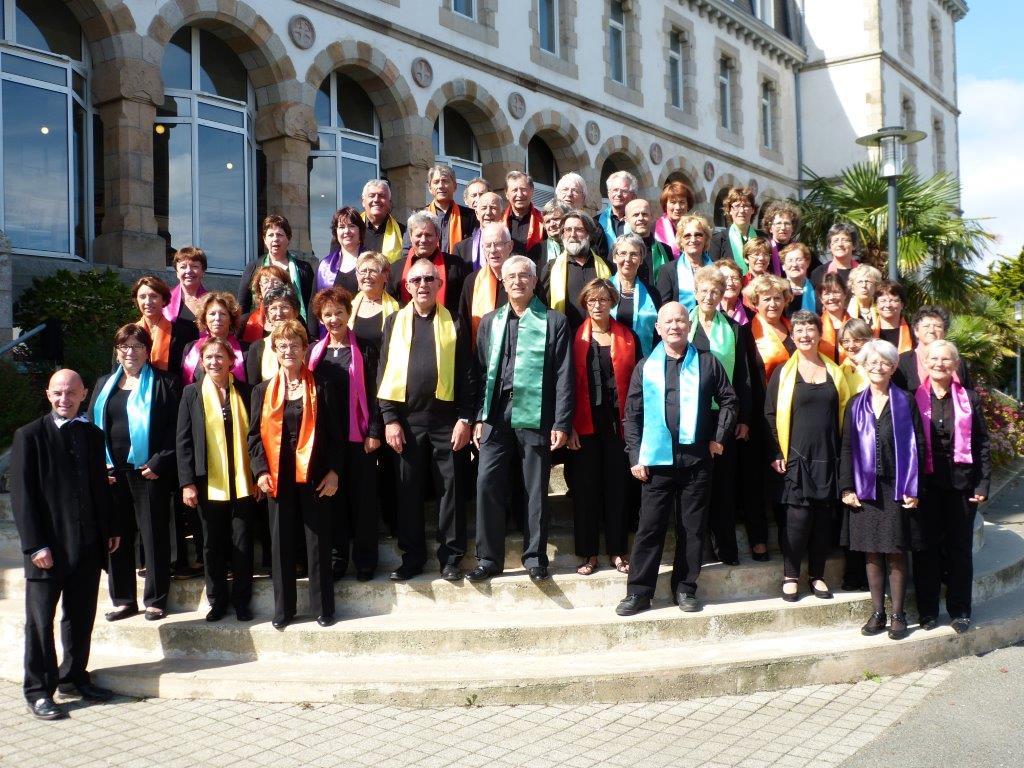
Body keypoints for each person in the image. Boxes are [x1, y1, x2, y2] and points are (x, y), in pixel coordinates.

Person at [615, 302, 738, 615]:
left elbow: (729, 401)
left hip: (696, 461)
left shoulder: (708, 363)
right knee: (649, 528)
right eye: (668, 321)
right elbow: (632, 414)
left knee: (692, 528)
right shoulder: (646, 366)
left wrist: (719, 439)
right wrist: (635, 455)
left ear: (689, 325)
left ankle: (685, 588)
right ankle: (639, 592)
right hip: (656, 463)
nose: (674, 326)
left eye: (680, 320)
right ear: (658, 328)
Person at [11, 369, 120, 720]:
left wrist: (110, 529)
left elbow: (99, 488)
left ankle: (74, 677)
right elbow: (22, 496)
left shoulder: (92, 434)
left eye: (71, 393)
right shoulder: (29, 436)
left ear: (84, 394)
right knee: (40, 623)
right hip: (47, 550)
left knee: (80, 616)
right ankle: (39, 690)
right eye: (58, 393)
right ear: (48, 394)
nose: (65, 399)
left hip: (87, 545)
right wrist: (34, 546)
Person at [468, 255, 573, 583]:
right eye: (511, 276)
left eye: (524, 276)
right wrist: (476, 417)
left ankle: (535, 557)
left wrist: (561, 422)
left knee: (534, 487)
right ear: (502, 281)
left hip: (536, 413)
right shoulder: (490, 321)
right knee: (487, 482)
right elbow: (480, 370)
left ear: (533, 281)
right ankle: (488, 558)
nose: (517, 281)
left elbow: (564, 374)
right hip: (495, 415)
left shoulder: (554, 321)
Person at [378, 259, 474, 581]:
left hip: (447, 421)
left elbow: (467, 375)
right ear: (407, 286)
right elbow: (383, 372)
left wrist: (465, 418)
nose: (423, 285)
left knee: (451, 489)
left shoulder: (456, 322)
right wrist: (389, 419)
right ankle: (413, 557)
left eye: (429, 279)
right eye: (416, 279)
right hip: (406, 421)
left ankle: (451, 557)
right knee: (408, 491)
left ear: (439, 284)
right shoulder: (393, 323)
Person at [248, 319, 342, 629]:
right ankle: (283, 609)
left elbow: (335, 436)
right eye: (283, 345)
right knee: (280, 542)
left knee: (317, 541)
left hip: (314, 474)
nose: (289, 350)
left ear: (305, 349)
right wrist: (260, 471)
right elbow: (253, 438)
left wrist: (333, 472)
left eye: (295, 344)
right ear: (274, 350)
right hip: (277, 474)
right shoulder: (261, 391)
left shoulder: (322, 386)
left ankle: (323, 607)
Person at [89, 324, 179, 622]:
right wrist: (97, 464)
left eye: (137, 346)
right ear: (117, 351)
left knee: (154, 535)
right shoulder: (104, 385)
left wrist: (159, 461)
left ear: (147, 350)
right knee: (117, 536)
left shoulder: (165, 384)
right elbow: (91, 428)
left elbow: (176, 430)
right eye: (124, 347)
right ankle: (124, 599)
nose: (131, 352)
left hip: (148, 472)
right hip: (112, 473)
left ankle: (155, 598)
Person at [839, 339, 925, 640]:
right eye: (871, 362)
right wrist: (846, 487)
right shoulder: (855, 404)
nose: (877, 367)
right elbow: (847, 448)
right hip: (866, 489)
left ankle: (899, 614)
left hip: (897, 488)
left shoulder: (906, 401)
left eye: (884, 362)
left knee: (897, 551)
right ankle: (878, 612)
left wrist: (914, 488)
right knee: (872, 553)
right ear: (863, 366)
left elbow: (920, 446)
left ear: (893, 367)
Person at [765, 311, 852, 602]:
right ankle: (790, 576)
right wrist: (777, 450)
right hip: (796, 456)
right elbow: (769, 414)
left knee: (823, 521)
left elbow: (846, 414)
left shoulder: (835, 372)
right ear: (792, 335)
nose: (805, 335)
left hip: (829, 455)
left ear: (819, 334)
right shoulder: (783, 372)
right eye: (799, 330)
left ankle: (817, 575)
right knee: (797, 520)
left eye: (810, 330)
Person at [912, 340, 989, 634]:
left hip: (962, 485)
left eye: (946, 359)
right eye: (934, 359)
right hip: (925, 486)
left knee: (959, 550)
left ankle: (960, 609)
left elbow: (981, 442)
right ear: (926, 363)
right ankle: (928, 611)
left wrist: (982, 483)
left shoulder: (969, 398)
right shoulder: (913, 398)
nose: (940, 364)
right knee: (925, 549)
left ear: (955, 365)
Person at [176, 336, 255, 622]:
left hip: (243, 482)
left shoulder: (247, 392)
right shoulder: (191, 394)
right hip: (206, 483)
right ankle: (217, 600)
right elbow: (183, 441)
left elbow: (256, 438)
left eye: (220, 357)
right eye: (208, 357)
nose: (214, 362)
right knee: (211, 545)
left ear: (232, 361)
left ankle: (242, 601)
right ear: (201, 362)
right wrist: (186, 482)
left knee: (243, 543)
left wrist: (258, 475)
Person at [567, 279, 642, 575]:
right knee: (585, 489)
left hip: (618, 424)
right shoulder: (575, 337)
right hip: (583, 423)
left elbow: (636, 385)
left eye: (603, 300)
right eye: (591, 301)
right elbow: (566, 385)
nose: (597, 305)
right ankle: (588, 554)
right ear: (585, 304)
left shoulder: (628, 336)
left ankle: (617, 551)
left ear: (612, 302)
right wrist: (568, 425)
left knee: (617, 488)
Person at [308, 287, 383, 581]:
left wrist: (374, 430)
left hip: (360, 437)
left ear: (348, 314)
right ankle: (338, 559)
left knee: (363, 500)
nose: (334, 318)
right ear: (320, 318)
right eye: (327, 314)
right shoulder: (314, 352)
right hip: (327, 440)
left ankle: (365, 561)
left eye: (339, 312)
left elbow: (377, 393)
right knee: (332, 501)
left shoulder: (365, 348)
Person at [689, 266, 753, 566]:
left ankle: (726, 547)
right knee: (696, 484)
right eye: (704, 290)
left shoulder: (736, 328)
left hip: (725, 416)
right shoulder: (682, 325)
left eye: (715, 291)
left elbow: (743, 376)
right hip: (691, 414)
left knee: (724, 485)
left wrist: (743, 417)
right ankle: (698, 549)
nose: (709, 296)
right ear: (695, 292)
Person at [741, 273, 795, 561]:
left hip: (792, 416)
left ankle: (790, 538)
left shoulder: (795, 329)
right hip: (760, 415)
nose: (772, 303)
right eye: (766, 299)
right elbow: (745, 380)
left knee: (785, 478)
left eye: (778, 298)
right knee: (753, 481)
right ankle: (759, 539)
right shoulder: (747, 334)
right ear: (754, 303)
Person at [350, 251, 401, 536]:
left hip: (387, 390)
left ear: (385, 276)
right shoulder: (347, 307)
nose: (367, 276)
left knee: (391, 465)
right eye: (362, 271)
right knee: (363, 466)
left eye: (373, 270)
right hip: (356, 394)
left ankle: (393, 523)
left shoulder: (397, 311)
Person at [238, 214, 315, 328]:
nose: (275, 239)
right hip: (259, 327)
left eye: (279, 235)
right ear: (264, 240)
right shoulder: (254, 267)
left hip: (294, 327)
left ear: (288, 239)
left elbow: (311, 305)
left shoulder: (304, 268)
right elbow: (242, 304)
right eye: (270, 235)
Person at [539, 210, 612, 329]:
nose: (572, 234)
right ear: (562, 234)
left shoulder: (607, 267)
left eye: (579, 229)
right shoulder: (550, 269)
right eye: (567, 230)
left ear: (589, 234)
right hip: (565, 339)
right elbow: (542, 308)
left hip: (600, 338)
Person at [389, 211, 468, 315]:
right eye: (418, 235)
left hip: (448, 327)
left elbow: (465, 303)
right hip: (407, 328)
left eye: (428, 235)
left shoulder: (456, 265)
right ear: (411, 237)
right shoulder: (396, 269)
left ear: (437, 236)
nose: (423, 240)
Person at [458, 222, 513, 347]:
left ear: (510, 246)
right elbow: (464, 325)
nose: (493, 250)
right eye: (488, 245)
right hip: (482, 357)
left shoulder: (524, 277)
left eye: (498, 244)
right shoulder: (471, 281)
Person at [894, 305, 973, 391]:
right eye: (926, 326)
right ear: (916, 331)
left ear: (945, 332)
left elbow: (969, 394)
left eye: (938, 326)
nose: (931, 331)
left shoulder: (957, 361)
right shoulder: (902, 361)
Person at [609, 233, 661, 356]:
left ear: (641, 259)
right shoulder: (604, 289)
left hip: (644, 359)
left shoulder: (652, 293)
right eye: (622, 253)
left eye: (633, 254)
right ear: (614, 257)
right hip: (611, 360)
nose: (627, 259)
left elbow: (658, 331)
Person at [181, 292, 246, 386]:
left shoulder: (246, 351)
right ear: (205, 319)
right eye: (212, 314)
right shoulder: (190, 348)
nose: (217, 318)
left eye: (223, 314)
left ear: (231, 319)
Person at [413, 163, 478, 253]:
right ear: (429, 188)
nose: (440, 186)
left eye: (445, 181)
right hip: (428, 265)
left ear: (455, 186)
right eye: (436, 182)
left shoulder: (470, 216)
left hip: (460, 266)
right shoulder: (418, 215)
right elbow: (408, 250)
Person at [245, 285, 301, 385]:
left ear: (296, 312)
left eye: (284, 307)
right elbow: (253, 390)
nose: (279, 313)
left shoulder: (306, 345)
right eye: (273, 308)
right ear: (267, 315)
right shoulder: (257, 347)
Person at [163, 245, 209, 363]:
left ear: (203, 271)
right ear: (177, 272)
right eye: (183, 267)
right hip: (170, 362)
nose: (188, 271)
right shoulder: (165, 300)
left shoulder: (212, 302)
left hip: (201, 364)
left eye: (194, 266)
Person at [132, 276, 184, 377]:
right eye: (142, 297)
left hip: (170, 389)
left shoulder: (181, 332)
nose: (148, 302)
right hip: (137, 389)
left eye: (154, 296)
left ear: (164, 300)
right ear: (137, 301)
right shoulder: (129, 333)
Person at [708, 187, 765, 272]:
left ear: (753, 210)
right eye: (737, 206)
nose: (741, 210)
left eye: (746, 206)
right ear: (730, 210)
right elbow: (714, 272)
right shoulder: (717, 240)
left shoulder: (763, 238)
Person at [315, 206, 366, 297]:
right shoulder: (325, 266)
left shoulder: (371, 261)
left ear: (360, 231)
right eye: (341, 227)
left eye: (351, 226)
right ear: (336, 232)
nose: (346, 231)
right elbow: (313, 304)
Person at [502, 170, 546, 263]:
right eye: (514, 190)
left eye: (523, 189)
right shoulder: (499, 221)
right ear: (506, 194)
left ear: (532, 191)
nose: (519, 194)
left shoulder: (544, 221)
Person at [240, 264, 289, 345]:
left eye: (276, 282)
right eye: (266, 282)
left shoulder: (295, 318)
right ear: (260, 287)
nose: (270, 286)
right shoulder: (246, 321)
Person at [454, 191, 504, 270]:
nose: (488, 212)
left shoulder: (512, 245)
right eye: (484, 208)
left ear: (501, 214)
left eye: (493, 208)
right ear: (477, 214)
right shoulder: (461, 249)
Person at [623, 198, 671, 279]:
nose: (641, 218)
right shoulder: (618, 250)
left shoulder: (665, 250)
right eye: (636, 215)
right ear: (626, 220)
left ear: (651, 217)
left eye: (645, 214)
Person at [360, 179, 405, 264]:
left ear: (389, 203)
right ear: (363, 201)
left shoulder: (403, 232)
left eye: (381, 196)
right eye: (371, 195)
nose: (376, 200)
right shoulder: (350, 230)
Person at [593, 170, 638, 257]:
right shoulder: (596, 222)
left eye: (624, 191)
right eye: (615, 190)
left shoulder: (640, 222)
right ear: (609, 194)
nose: (618, 194)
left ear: (633, 196)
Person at [810, 222, 860, 292]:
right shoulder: (818, 273)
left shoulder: (863, 273)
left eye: (845, 240)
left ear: (854, 245)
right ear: (830, 246)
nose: (840, 244)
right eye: (836, 240)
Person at [653, 180, 695, 259]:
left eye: (682, 202)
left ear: (688, 205)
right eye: (672, 202)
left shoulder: (694, 228)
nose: (678, 207)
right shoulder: (654, 228)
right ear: (665, 205)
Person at [761, 200, 803, 276]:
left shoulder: (800, 251)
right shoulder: (764, 250)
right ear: (770, 228)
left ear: (793, 228)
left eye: (787, 223)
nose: (783, 228)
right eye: (778, 223)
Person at [874, 280, 914, 353]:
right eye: (883, 301)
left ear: (902, 305)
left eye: (893, 300)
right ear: (877, 305)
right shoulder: (869, 332)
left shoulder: (914, 332)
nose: (888, 305)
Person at [818, 273, 851, 363]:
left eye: (836, 292)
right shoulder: (815, 326)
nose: (831, 297)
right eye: (827, 294)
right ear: (821, 298)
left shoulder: (857, 325)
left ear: (845, 294)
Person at [781, 243, 816, 316]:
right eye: (790, 260)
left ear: (807, 263)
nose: (794, 265)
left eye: (799, 260)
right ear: (783, 266)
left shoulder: (817, 288)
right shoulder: (779, 290)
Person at [716, 259, 750, 326]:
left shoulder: (750, 315)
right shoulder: (707, 312)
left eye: (735, 278)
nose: (730, 283)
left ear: (741, 284)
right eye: (724, 279)